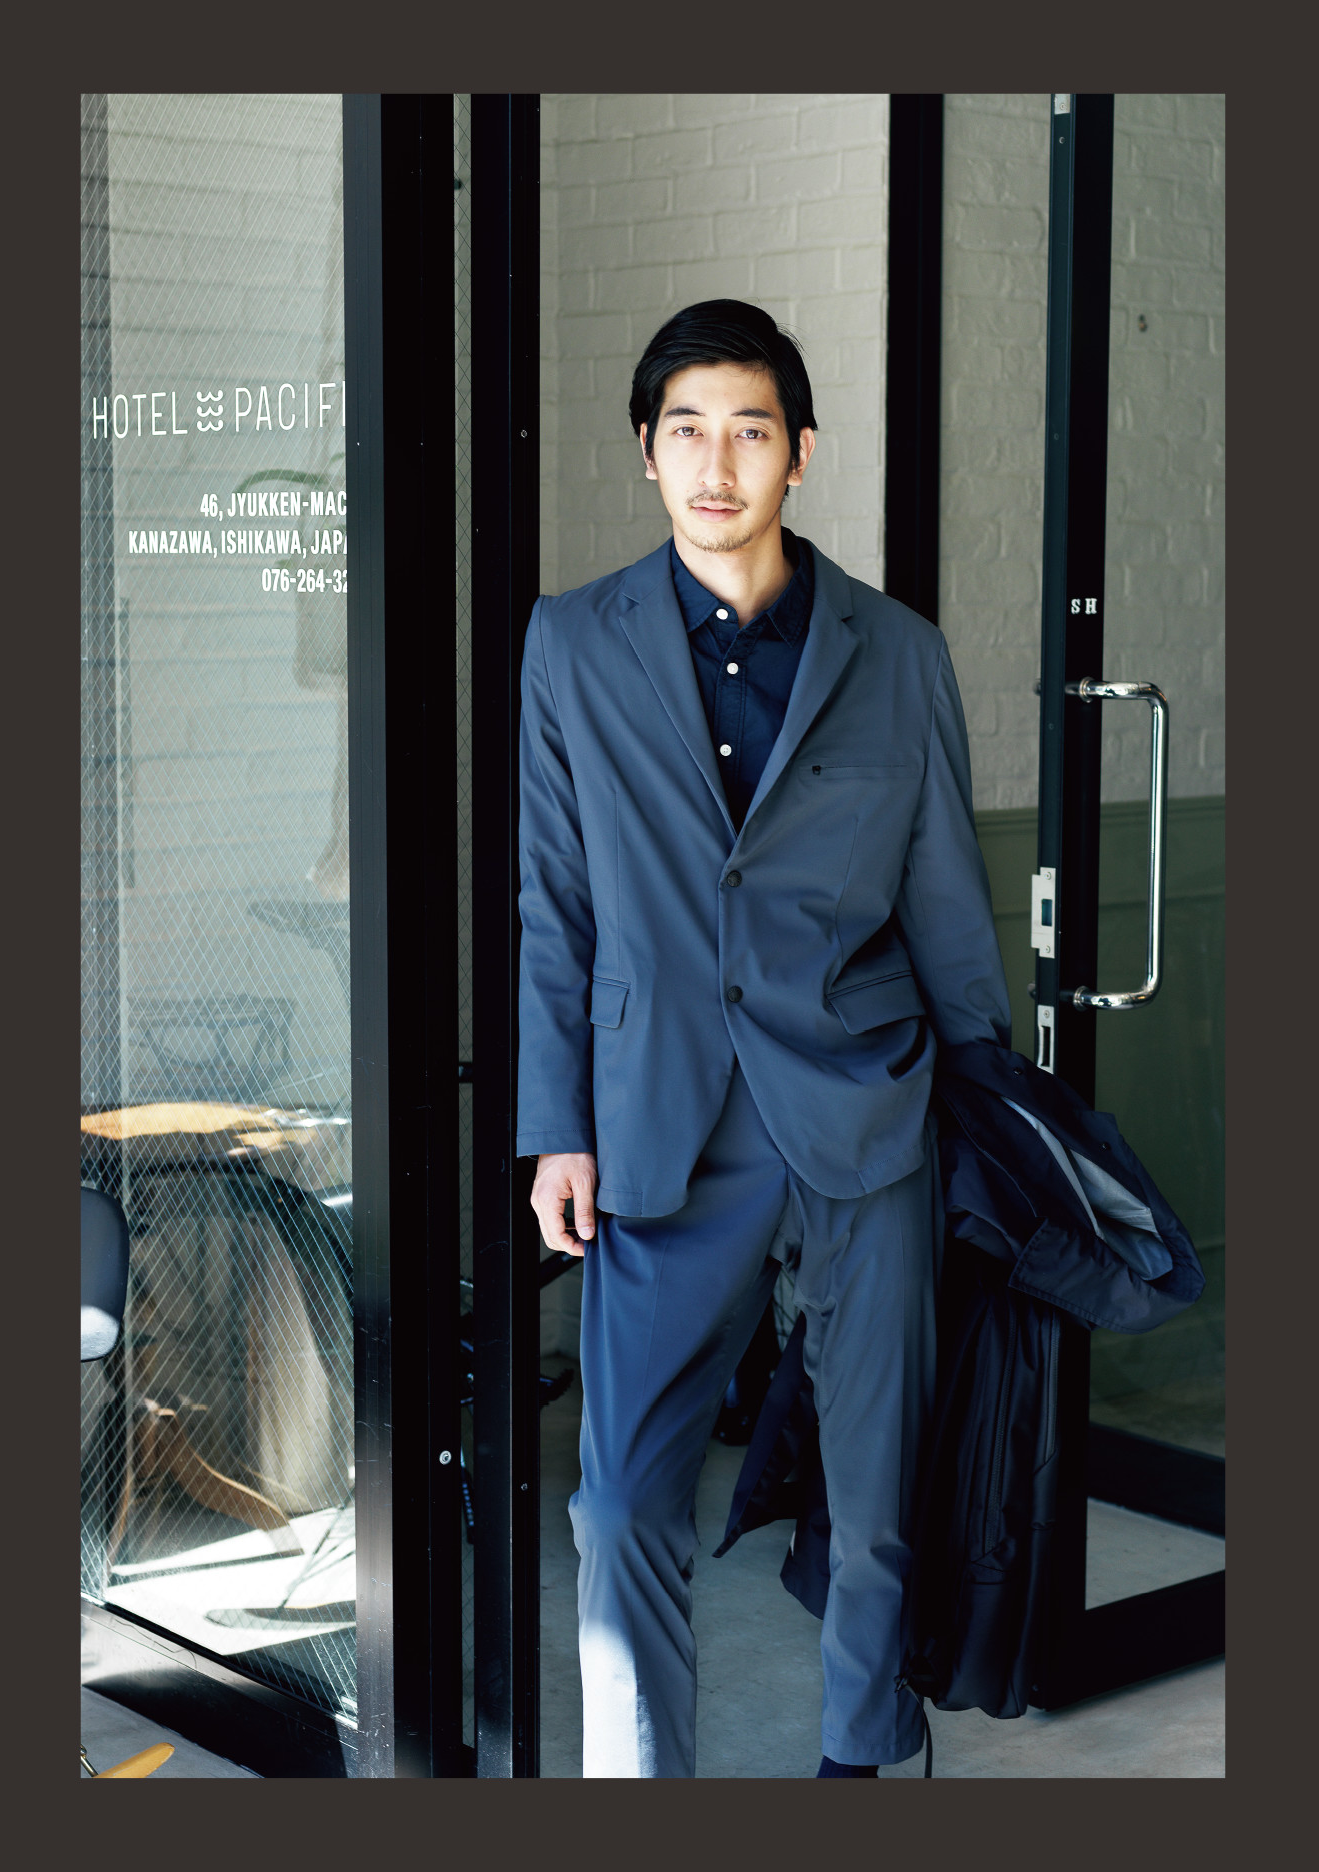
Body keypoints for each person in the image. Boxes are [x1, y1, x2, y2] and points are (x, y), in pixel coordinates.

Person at [517, 299, 1011, 1778]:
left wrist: (990, 1128)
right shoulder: (570, 642)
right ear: (646, 452)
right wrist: (557, 1126)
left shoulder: (897, 652)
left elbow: (945, 903)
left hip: (867, 1112)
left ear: (800, 453)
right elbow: (554, 902)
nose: (717, 463)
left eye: (749, 430)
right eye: (687, 431)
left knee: (876, 1499)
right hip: (660, 1120)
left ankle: (863, 1763)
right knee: (619, 1502)